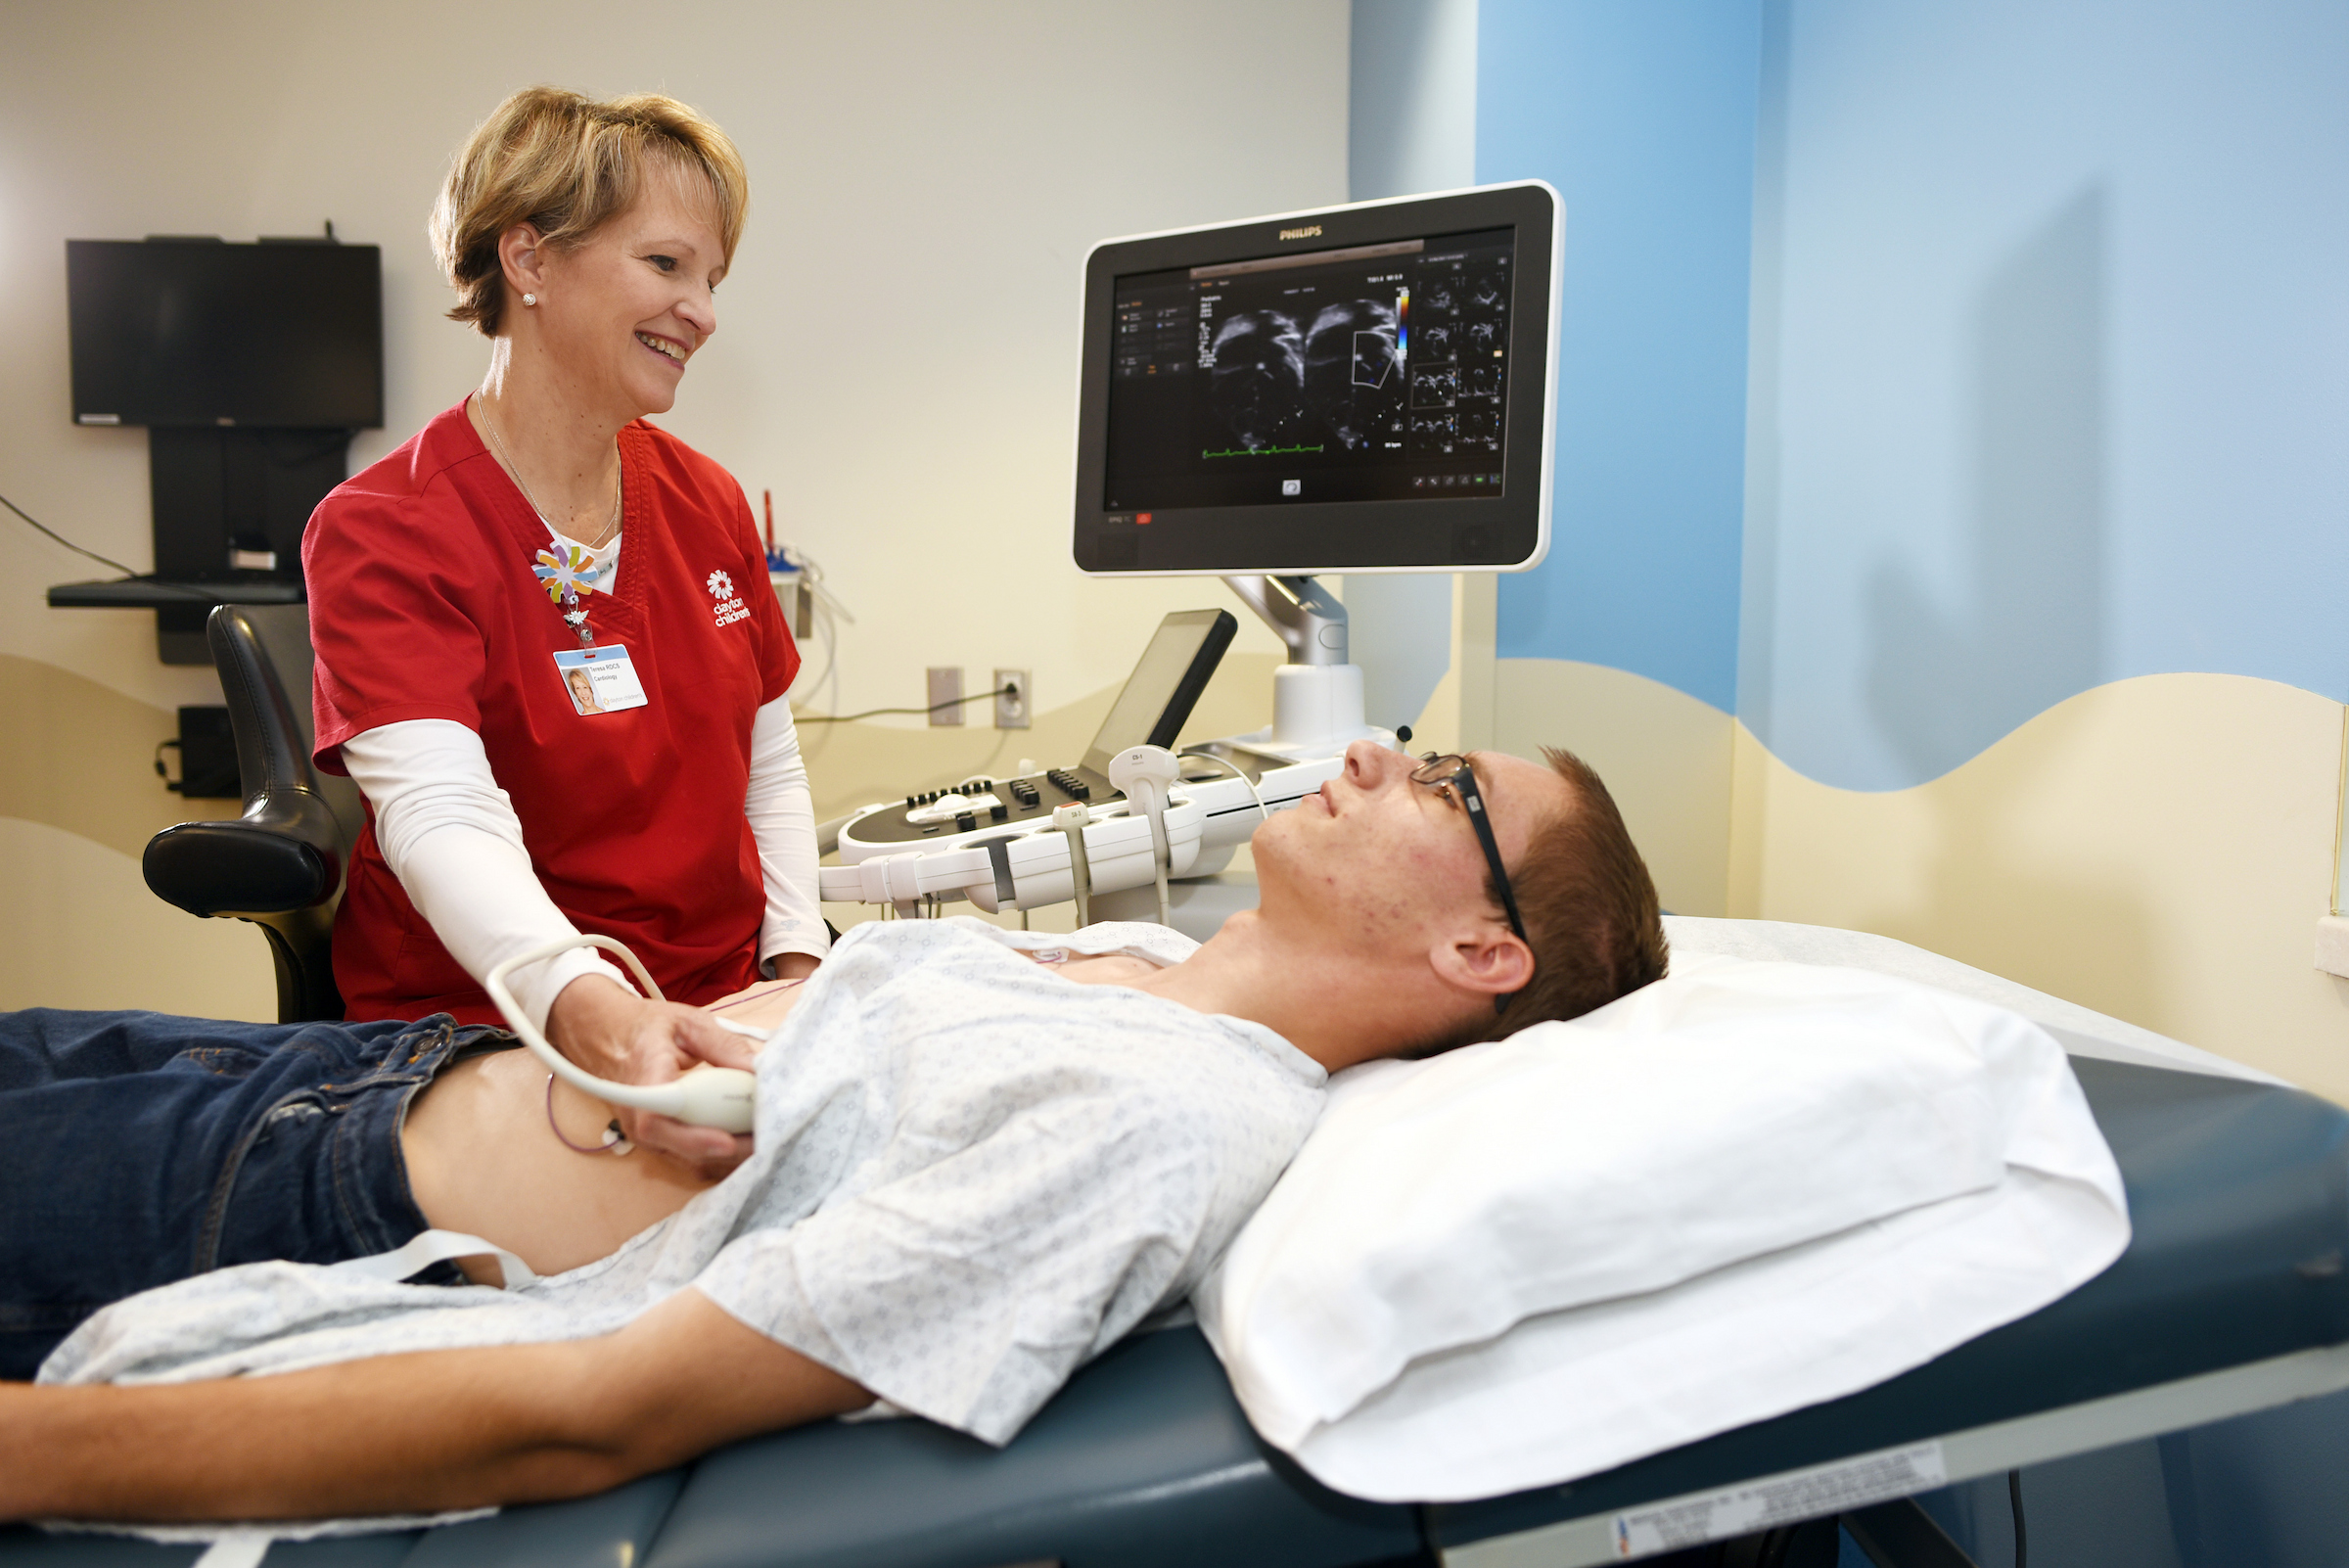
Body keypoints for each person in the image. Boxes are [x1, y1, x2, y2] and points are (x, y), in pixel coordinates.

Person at [0, 743, 1668, 1527]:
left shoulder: (1161, 1124)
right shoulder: (1153, 970)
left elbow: (596, 1413)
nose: (1372, 751)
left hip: (290, 1202)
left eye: (1443, 784)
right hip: (346, 1074)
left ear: (1481, 956)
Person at [303, 87, 818, 1176]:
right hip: (491, 1024)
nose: (705, 312)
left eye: (713, 280)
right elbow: (441, 818)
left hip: (720, 999)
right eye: (669, 266)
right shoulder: (385, 530)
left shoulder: (708, 503)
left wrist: (798, 964)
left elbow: (767, 765)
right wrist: (599, 1017)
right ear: (528, 261)